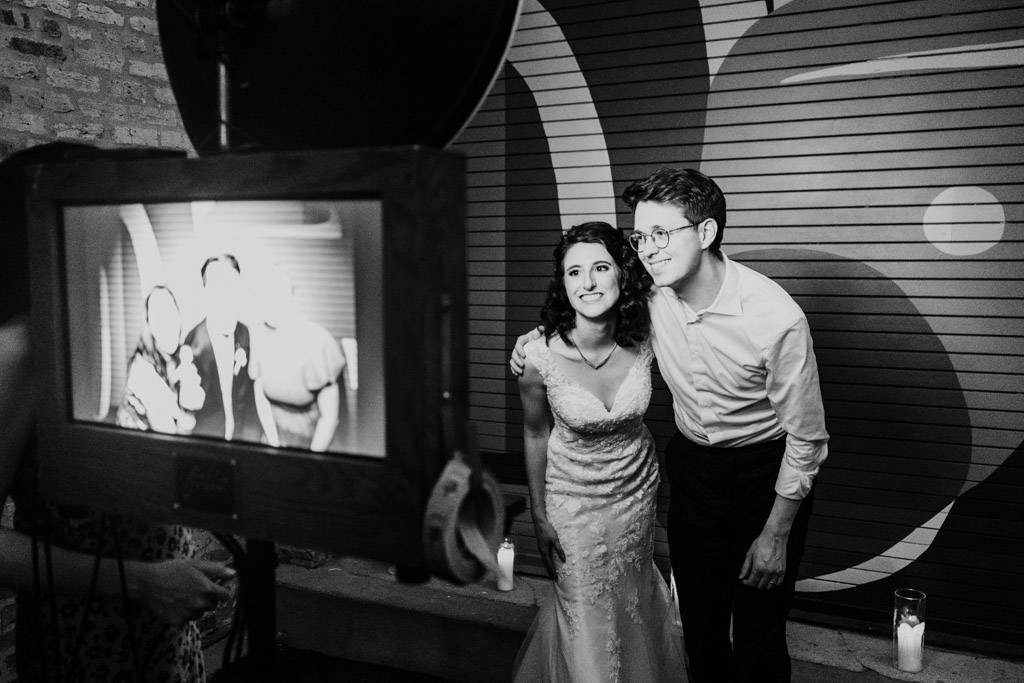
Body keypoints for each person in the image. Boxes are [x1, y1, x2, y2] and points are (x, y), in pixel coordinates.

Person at [511, 168, 829, 682]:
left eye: (662, 234)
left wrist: (776, 534)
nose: (648, 249)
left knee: (758, 636)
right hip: (693, 471)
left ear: (705, 233)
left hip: (765, 476)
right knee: (700, 631)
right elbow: (588, 303)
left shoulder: (777, 318)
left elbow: (808, 439)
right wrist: (535, 337)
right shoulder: (651, 296)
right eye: (641, 237)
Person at [0, 142, 234, 682]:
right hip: (85, 648)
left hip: (165, 636)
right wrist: (143, 581)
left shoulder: (108, 331)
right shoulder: (23, 349)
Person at [512, 222, 686, 683]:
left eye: (600, 267)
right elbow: (534, 434)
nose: (587, 283)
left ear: (621, 275)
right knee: (586, 623)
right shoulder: (537, 358)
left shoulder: (649, 337)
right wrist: (538, 513)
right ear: (562, 283)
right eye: (574, 273)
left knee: (634, 608)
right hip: (573, 505)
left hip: (636, 497)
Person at [249, 265, 347, 451]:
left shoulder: (318, 341)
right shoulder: (257, 334)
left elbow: (329, 418)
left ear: (290, 297)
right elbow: (260, 394)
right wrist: (273, 443)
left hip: (315, 441)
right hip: (273, 435)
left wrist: (309, 459)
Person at [184, 254, 274, 444]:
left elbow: (249, 396)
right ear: (205, 294)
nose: (227, 298)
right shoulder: (192, 346)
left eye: (233, 288)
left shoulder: (244, 333)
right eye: (218, 288)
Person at [116, 284, 205, 435]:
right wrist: (188, 413)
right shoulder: (142, 372)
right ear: (148, 325)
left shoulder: (179, 358)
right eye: (159, 316)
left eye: (171, 311)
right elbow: (171, 443)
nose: (168, 323)